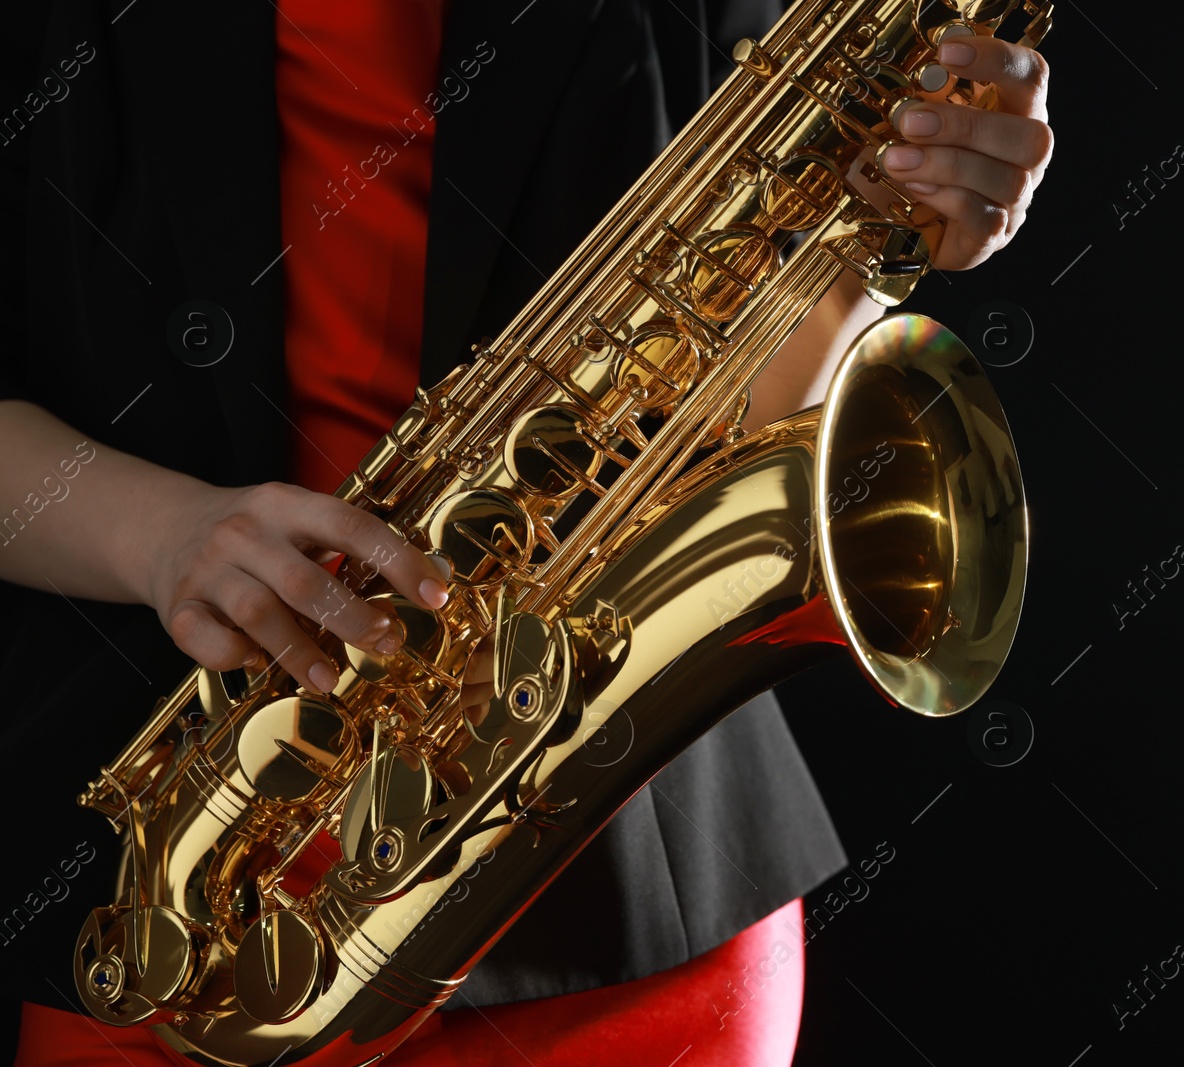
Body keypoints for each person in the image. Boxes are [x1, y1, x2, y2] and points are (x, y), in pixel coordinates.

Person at [0, 1, 1052, 1063]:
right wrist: (161, 532)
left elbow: (742, 401)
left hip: (626, 920)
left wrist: (878, 228)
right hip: (169, 913)